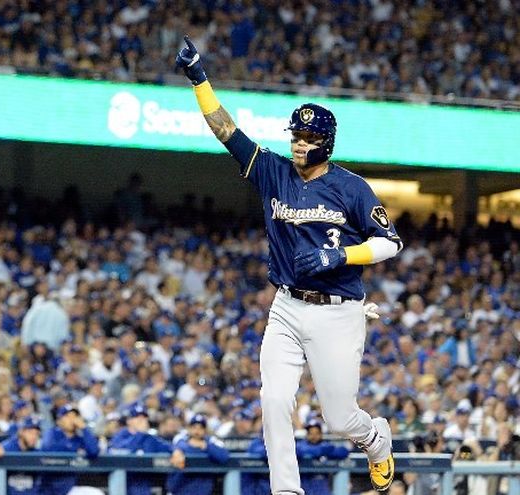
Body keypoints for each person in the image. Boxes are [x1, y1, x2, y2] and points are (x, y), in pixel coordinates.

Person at [177, 36, 402, 493]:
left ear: (327, 143)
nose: (299, 144)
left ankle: (375, 439)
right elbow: (226, 131)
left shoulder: (351, 188)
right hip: (286, 306)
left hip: (337, 311)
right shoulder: (273, 171)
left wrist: (340, 254)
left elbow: (390, 243)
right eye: (296, 136)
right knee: (274, 399)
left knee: (339, 418)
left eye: (309, 138)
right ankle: (286, 489)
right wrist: (199, 78)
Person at [107, 403, 184, 495]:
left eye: (144, 417)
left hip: (142, 484)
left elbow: (167, 446)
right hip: (123, 483)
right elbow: (125, 452)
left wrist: (176, 451)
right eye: (137, 417)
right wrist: (139, 433)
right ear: (129, 421)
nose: (142, 420)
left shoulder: (149, 438)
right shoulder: (120, 436)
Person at [39, 404, 100, 495]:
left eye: (75, 416)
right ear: (59, 421)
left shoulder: (79, 439)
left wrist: (84, 428)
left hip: (71, 486)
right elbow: (49, 450)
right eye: (68, 416)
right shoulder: (52, 433)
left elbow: (94, 451)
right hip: (52, 486)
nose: (72, 420)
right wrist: (74, 450)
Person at [166, 414, 230, 495]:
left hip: (203, 489)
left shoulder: (211, 442)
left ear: (205, 430)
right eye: (194, 427)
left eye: (200, 428)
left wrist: (206, 446)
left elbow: (224, 456)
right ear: (189, 428)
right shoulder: (181, 440)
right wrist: (177, 450)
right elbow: (172, 446)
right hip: (181, 489)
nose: (197, 431)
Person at [296, 419, 349, 495]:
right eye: (311, 433)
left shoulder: (326, 446)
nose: (314, 436)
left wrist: (323, 450)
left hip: (322, 483)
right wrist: (321, 451)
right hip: (305, 482)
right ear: (307, 434)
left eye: (316, 433)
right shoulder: (301, 446)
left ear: (321, 434)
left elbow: (343, 451)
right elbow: (299, 451)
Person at [1, 416, 43, 495]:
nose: (34, 437)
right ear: (21, 432)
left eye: (37, 434)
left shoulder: (37, 453)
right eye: (30, 432)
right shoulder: (7, 448)